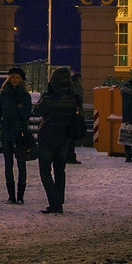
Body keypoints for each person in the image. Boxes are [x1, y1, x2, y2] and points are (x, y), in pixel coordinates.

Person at [33, 69, 80, 213]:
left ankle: (55, 203)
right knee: (60, 170)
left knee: (45, 172)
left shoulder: (48, 99)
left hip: (47, 138)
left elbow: (36, 111)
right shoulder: (74, 99)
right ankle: (59, 199)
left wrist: (47, 94)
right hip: (64, 139)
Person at [0, 66, 31, 203]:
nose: (15, 79)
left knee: (21, 164)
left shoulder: (26, 96)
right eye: (13, 77)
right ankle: (11, 196)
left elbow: (26, 115)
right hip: (7, 132)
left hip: (20, 132)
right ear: (9, 78)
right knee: (8, 164)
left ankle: (20, 196)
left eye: (17, 77)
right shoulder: (3, 95)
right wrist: (0, 126)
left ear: (21, 80)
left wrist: (20, 108)